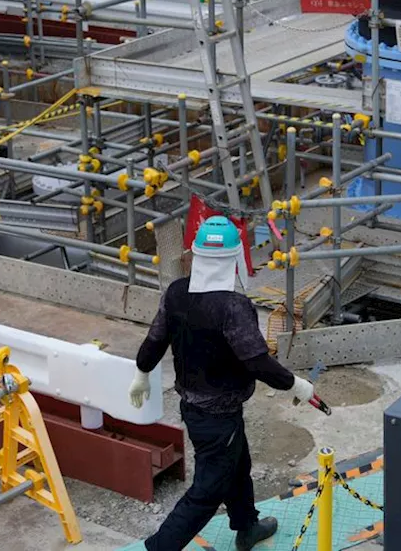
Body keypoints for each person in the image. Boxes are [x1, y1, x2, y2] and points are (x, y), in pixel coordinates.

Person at [128, 215, 316, 551]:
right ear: (234, 260)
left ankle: (247, 527)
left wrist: (142, 371)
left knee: (239, 463)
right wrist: (296, 385)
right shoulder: (232, 306)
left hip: (195, 408)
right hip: (218, 416)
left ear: (196, 254)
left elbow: (156, 338)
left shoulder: (176, 293)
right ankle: (157, 548)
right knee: (208, 490)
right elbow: (256, 361)